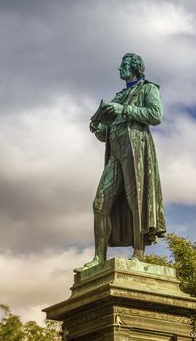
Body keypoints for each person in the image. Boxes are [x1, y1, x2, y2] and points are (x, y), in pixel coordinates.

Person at [74, 53, 166, 273]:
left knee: (137, 201)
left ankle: (139, 254)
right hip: (115, 152)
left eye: (123, 65)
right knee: (100, 204)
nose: (119, 68)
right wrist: (98, 129)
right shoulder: (118, 96)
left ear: (134, 67)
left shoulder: (148, 89)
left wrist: (123, 110)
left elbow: (156, 115)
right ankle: (99, 257)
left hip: (135, 148)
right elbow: (107, 133)